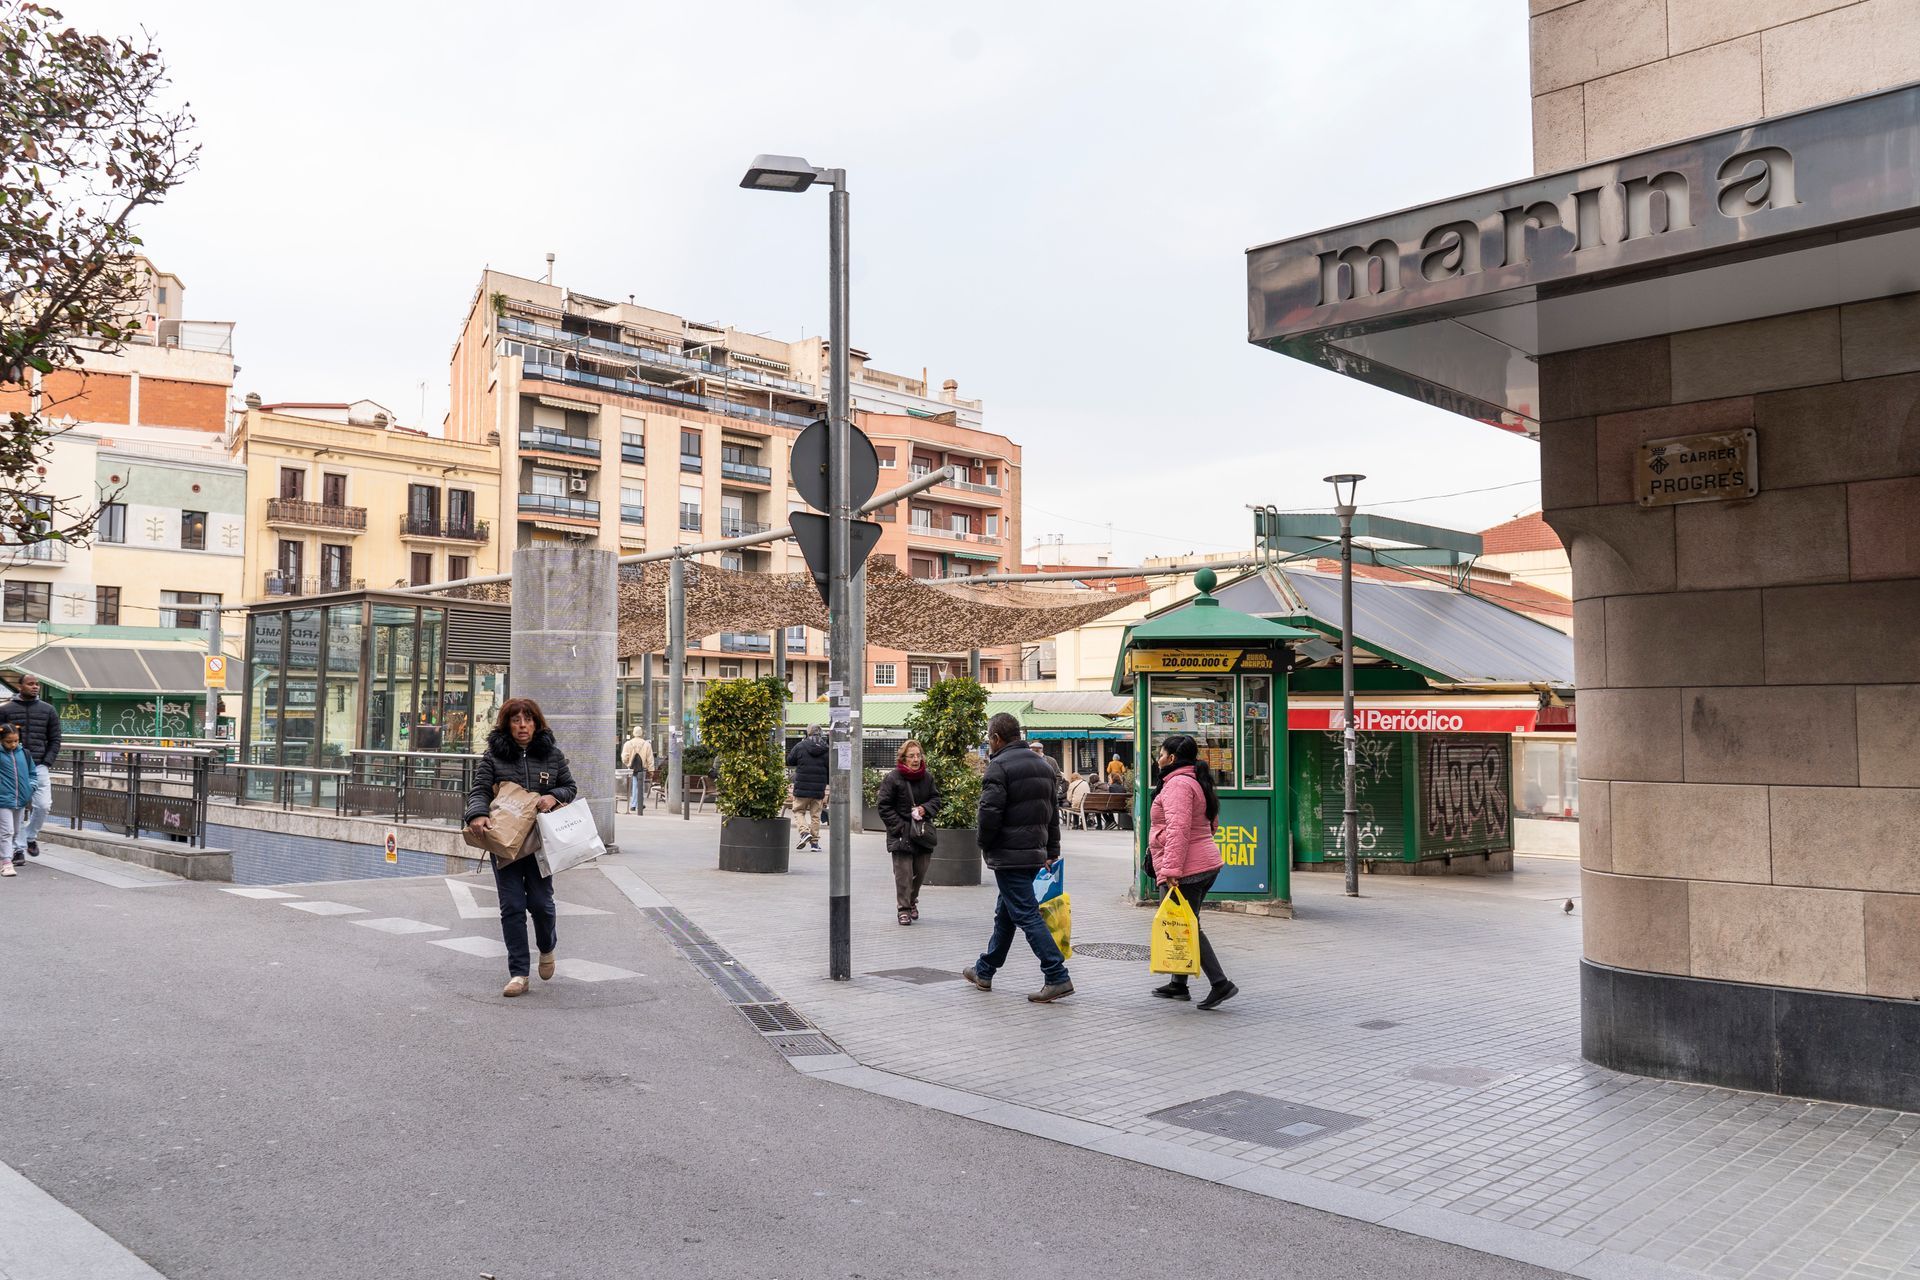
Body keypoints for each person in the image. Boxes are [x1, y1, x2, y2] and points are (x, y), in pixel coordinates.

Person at [464, 698, 577, 999]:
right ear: (507, 724)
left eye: (528, 719)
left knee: (541, 904)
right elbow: (478, 790)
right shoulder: (493, 757)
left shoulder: (551, 754)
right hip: (505, 843)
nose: (522, 725)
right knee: (512, 906)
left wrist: (553, 796)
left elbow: (570, 787)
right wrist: (477, 814)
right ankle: (518, 973)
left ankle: (547, 946)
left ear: (537, 723)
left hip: (540, 843)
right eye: (516, 720)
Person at [963, 712, 1073, 1003]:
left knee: (1025, 914)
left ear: (996, 738)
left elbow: (989, 813)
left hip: (1009, 854)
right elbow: (1052, 814)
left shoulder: (998, 767)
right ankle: (984, 970)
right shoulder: (1043, 765)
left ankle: (1056, 975)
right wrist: (1052, 850)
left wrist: (983, 844)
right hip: (1033, 851)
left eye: (989, 738)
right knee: (1007, 914)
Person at [1146, 733, 1238, 1010]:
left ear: (1171, 758)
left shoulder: (1178, 785)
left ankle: (1220, 983)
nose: (1158, 758)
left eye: (1160, 753)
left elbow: (1179, 829)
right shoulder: (1195, 780)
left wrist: (1171, 869)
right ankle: (1179, 984)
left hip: (1187, 869)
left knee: (1187, 927)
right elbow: (1212, 825)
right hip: (1202, 863)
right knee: (1182, 921)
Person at [876, 739, 941, 926]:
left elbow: (936, 799)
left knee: (920, 872)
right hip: (901, 833)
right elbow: (884, 806)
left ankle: (912, 900)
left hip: (921, 833)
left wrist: (925, 809)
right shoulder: (893, 778)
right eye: (911, 756)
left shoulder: (927, 778)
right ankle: (903, 909)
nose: (915, 759)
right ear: (903, 758)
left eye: (918, 755)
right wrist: (900, 827)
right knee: (903, 874)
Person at [0, 673, 59, 866]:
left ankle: (30, 836)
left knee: (43, 805)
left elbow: (55, 739)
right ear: (20, 686)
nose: (35, 687)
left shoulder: (48, 710)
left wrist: (47, 762)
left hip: (39, 765)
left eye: (37, 684)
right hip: (11, 766)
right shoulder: (6, 710)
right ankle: (18, 850)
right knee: (15, 807)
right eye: (30, 684)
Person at [786, 725, 829, 852]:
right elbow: (830, 767)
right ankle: (815, 844)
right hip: (819, 788)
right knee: (816, 815)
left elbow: (790, 761)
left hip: (802, 786)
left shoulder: (800, 746)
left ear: (808, 733)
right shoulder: (825, 748)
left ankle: (804, 833)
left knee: (798, 810)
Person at [0, 724, 32, 877]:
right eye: (8, 741)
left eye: (16, 741)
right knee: (7, 831)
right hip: (3, 800)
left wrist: (31, 787)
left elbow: (32, 772)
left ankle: (4, 857)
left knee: (16, 831)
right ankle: (7, 862)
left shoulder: (24, 753)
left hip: (20, 800)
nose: (13, 745)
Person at [620, 724, 655, 815]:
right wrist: (651, 770)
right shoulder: (646, 744)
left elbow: (624, 757)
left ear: (633, 733)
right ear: (642, 733)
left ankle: (634, 804)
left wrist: (628, 763)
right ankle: (638, 803)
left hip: (632, 768)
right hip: (642, 768)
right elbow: (650, 758)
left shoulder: (628, 744)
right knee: (640, 785)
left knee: (634, 785)